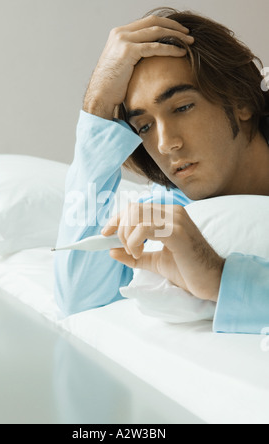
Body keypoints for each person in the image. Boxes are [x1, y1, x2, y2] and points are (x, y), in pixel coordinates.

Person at [54, 7, 269, 334]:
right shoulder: (171, 212)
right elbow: (78, 302)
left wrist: (222, 278)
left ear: (242, 101)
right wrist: (97, 109)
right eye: (143, 126)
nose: (166, 143)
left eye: (182, 107)